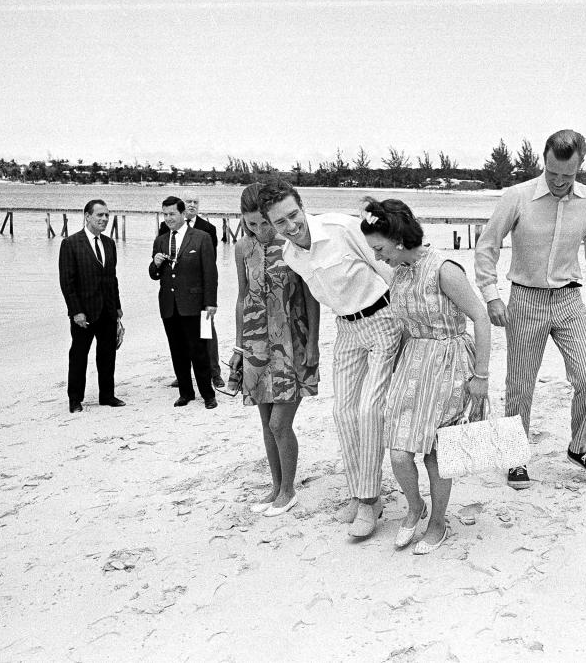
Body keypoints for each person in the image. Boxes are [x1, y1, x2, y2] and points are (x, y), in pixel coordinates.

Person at [257, 180, 402, 538]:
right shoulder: (291, 255)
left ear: (302, 206)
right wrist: (312, 344)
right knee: (343, 412)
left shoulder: (341, 227)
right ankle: (360, 491)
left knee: (370, 409)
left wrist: (410, 319)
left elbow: (387, 267)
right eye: (280, 223)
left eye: (294, 215)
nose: (291, 226)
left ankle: (369, 501)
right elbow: (319, 299)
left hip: (383, 318)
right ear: (271, 225)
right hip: (347, 329)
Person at [475, 129, 586, 489]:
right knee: (520, 385)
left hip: (570, 300)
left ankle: (578, 446)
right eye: (553, 173)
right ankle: (514, 458)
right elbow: (487, 245)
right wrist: (491, 295)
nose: (559, 181)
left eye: (568, 175)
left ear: (580, 166)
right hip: (525, 300)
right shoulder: (517, 197)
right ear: (544, 161)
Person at [360, 197, 491, 555]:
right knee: (399, 452)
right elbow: (405, 324)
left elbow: (480, 317)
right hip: (412, 361)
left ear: (398, 240)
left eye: (379, 248)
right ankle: (415, 506)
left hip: (449, 361)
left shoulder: (445, 269)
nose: (377, 256)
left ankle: (438, 521)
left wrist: (481, 375)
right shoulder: (400, 272)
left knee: (436, 452)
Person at [230, 184, 320, 517]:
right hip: (255, 343)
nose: (260, 230)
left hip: (291, 343)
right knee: (266, 422)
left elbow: (311, 296)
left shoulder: (293, 246)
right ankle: (275, 487)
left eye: (265, 223)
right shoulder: (242, 248)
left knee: (280, 423)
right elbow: (242, 298)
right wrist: (238, 347)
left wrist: (313, 342)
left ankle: (289, 490)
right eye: (252, 224)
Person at [149, 196, 219, 409]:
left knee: (199, 350)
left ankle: (208, 394)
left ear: (182, 214)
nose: (168, 218)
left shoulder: (201, 237)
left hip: (196, 305)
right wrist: (155, 264)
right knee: (177, 351)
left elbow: (210, 273)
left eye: (172, 214)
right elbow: (154, 274)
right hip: (169, 306)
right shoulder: (160, 240)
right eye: (165, 214)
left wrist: (210, 303)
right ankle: (185, 393)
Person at [58, 199, 125, 413]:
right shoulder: (71, 243)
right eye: (100, 215)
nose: (105, 219)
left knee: (107, 355)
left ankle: (107, 395)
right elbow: (67, 282)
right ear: (87, 216)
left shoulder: (109, 243)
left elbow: (112, 278)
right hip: (83, 313)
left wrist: (117, 308)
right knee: (79, 355)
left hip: (107, 310)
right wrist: (75, 311)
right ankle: (75, 399)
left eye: (107, 215)